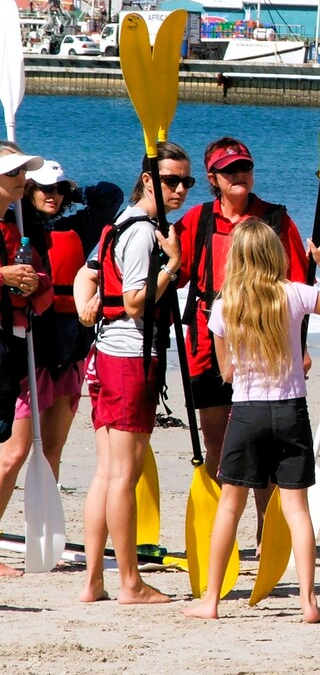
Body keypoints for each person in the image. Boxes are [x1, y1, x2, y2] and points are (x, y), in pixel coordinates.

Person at [182, 218, 320, 622]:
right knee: (296, 510)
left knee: (230, 507)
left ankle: (211, 602)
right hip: (290, 410)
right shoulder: (295, 294)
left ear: (237, 257)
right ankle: (308, 603)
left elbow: (226, 371)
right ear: (276, 254)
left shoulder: (224, 304)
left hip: (247, 413)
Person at [74, 141, 193, 604]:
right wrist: (175, 266)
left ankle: (93, 582)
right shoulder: (144, 232)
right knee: (124, 475)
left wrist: (87, 307)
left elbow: (89, 272)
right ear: (148, 181)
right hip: (129, 360)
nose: (180, 189)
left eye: (186, 181)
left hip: (104, 356)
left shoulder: (118, 222)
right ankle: (129, 582)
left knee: (106, 474)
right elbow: (134, 302)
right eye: (170, 180)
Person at [176, 137, 308, 547]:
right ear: (213, 178)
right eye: (230, 170)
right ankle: (222, 536)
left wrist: (299, 347)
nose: (240, 175)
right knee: (219, 444)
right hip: (206, 342)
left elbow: (299, 288)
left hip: (265, 344)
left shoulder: (276, 220)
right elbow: (175, 276)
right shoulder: (196, 222)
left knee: (265, 446)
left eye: (245, 167)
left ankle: (268, 529)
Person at [0, 161, 122, 567]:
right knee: (14, 452)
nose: (51, 196)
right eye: (43, 189)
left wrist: (75, 187)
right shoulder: (20, 226)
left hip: (68, 350)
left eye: (58, 190)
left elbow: (111, 195)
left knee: (52, 448)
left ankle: (41, 532)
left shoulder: (81, 225)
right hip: (30, 347)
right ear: (29, 191)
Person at [0, 144, 52, 578]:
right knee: (10, 450)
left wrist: (34, 282)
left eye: (23, 171)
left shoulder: (17, 223)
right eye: (13, 171)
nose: (22, 178)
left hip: (12, 342)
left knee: (11, 448)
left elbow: (37, 291)